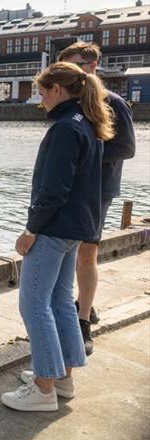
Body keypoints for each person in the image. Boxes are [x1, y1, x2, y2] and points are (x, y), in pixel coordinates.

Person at [1, 62, 114, 412]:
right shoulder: (88, 124)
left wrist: (31, 229)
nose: (40, 100)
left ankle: (43, 386)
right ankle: (62, 376)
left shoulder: (66, 129)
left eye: (42, 92)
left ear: (57, 90)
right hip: (76, 228)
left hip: (53, 228)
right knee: (60, 301)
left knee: (33, 303)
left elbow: (53, 188)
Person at [57, 42, 135, 356]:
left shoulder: (112, 102)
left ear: (91, 65)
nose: (69, 75)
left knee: (86, 253)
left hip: (98, 189)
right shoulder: (70, 102)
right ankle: (74, 306)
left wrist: (85, 155)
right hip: (69, 188)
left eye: (74, 67)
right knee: (65, 251)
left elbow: (126, 148)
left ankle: (83, 319)